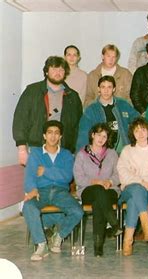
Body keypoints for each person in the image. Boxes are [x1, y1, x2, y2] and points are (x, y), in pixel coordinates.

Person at [22, 120, 83, 261]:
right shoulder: (36, 154)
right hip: (41, 191)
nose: (53, 136)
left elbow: (67, 177)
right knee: (29, 206)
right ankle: (41, 245)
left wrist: (46, 171)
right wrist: (31, 189)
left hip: (60, 192)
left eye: (56, 133)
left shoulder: (67, 155)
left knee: (77, 211)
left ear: (60, 136)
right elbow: (30, 174)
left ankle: (59, 235)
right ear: (44, 135)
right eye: (49, 133)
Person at [13, 56, 82, 165]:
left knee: (60, 181)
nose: (58, 72)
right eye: (54, 69)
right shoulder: (32, 91)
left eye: (61, 69)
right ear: (46, 71)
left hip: (63, 151)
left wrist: (74, 151)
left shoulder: (73, 96)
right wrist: (22, 149)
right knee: (37, 180)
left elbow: (78, 127)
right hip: (36, 148)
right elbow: (20, 119)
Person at [116, 117, 148, 256]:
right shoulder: (127, 150)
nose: (141, 133)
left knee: (133, 201)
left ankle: (127, 242)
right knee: (137, 189)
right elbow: (122, 174)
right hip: (130, 189)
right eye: (137, 130)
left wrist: (140, 182)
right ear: (132, 133)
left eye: (143, 129)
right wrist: (141, 182)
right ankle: (147, 227)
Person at [73, 123, 122, 257]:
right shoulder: (82, 154)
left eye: (105, 136)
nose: (101, 138)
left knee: (99, 201)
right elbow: (79, 178)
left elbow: (119, 174)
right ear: (92, 135)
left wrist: (110, 181)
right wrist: (96, 182)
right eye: (99, 135)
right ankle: (114, 223)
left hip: (109, 189)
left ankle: (98, 247)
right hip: (87, 190)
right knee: (98, 192)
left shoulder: (112, 154)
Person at [76, 76, 140, 153]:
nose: (106, 90)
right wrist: (82, 155)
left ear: (114, 89)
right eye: (103, 87)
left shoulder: (123, 104)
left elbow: (138, 121)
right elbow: (83, 135)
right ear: (98, 89)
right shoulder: (91, 110)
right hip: (101, 152)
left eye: (109, 87)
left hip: (124, 149)